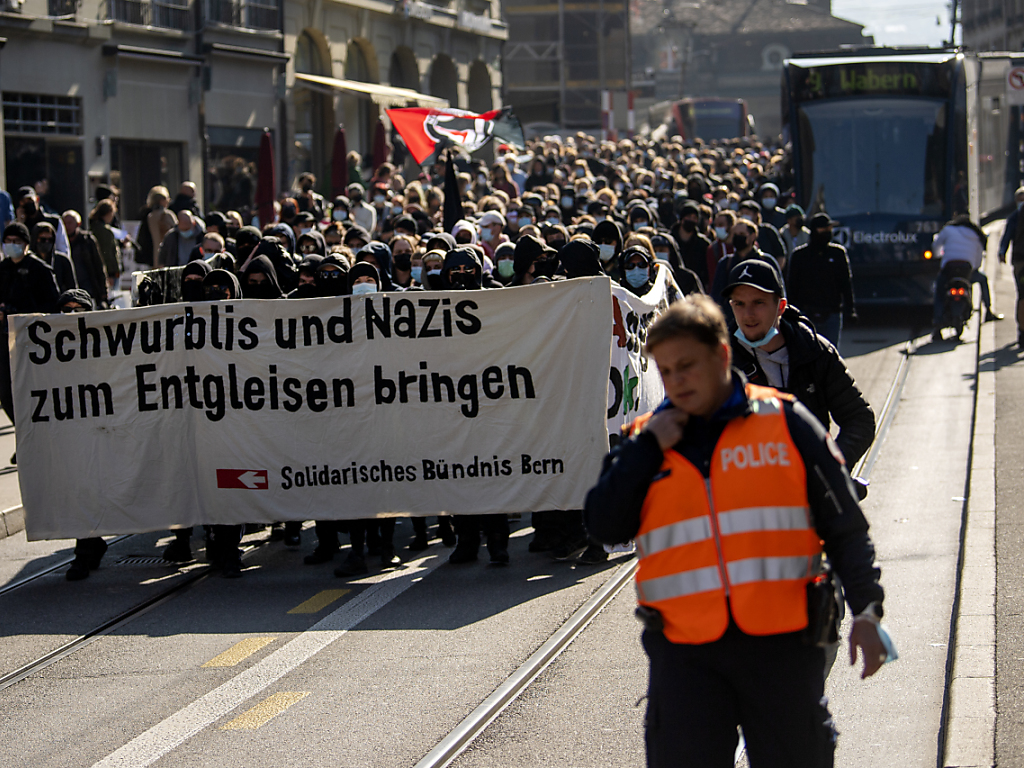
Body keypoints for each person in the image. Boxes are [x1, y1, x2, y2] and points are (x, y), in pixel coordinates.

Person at [584, 295, 888, 768]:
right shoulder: (644, 441)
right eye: (666, 370)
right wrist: (647, 450)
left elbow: (845, 526)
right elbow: (604, 525)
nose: (676, 381)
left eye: (687, 366)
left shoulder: (786, 423)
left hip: (782, 648)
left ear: (722, 356)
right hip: (686, 659)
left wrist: (867, 609)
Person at [726, 259, 875, 465]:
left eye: (758, 302)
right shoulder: (721, 362)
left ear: (781, 306)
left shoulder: (815, 351)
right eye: (739, 304)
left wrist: (831, 467)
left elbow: (859, 419)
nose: (747, 314)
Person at [441, 247, 511, 566]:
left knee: (492, 473)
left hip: (489, 400)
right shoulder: (435, 306)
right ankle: (466, 540)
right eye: (454, 270)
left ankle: (498, 542)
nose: (461, 276)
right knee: (459, 475)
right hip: (451, 403)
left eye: (467, 270)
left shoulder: (495, 302)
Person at [56, 289, 113, 580]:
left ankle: (88, 547)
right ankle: (86, 548)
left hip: (102, 431)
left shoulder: (104, 345)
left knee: (95, 488)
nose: (71, 317)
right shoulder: (50, 351)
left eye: (78, 311)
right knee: (80, 489)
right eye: (66, 311)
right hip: (70, 433)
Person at [787, 213, 856, 347]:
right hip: (806, 314)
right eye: (823, 229)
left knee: (830, 352)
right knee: (807, 352)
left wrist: (850, 309)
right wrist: (792, 314)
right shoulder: (799, 256)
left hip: (832, 313)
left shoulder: (837, 253)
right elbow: (792, 287)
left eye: (829, 229)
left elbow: (846, 283)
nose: (827, 232)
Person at [930, 215, 1002, 341]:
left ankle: (937, 324)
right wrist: (973, 269)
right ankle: (988, 311)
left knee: (939, 290)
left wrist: (938, 258)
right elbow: (978, 259)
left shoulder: (948, 230)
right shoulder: (976, 234)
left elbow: (936, 246)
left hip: (949, 269)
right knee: (983, 280)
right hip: (966, 270)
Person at [62, 210, 109, 308]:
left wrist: (103, 292)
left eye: (70, 223)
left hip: (88, 289)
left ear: (78, 224)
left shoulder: (87, 241)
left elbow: (98, 266)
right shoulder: (60, 243)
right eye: (64, 223)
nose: (67, 226)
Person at [88, 199, 122, 287]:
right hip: (109, 272)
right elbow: (107, 253)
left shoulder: (93, 227)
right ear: (109, 213)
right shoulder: (105, 231)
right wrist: (111, 273)